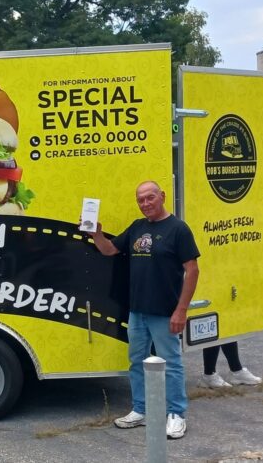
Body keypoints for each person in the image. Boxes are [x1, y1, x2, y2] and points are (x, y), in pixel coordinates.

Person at [85, 181, 200, 440]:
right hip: (137, 312)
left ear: (162, 196)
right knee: (137, 362)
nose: (145, 203)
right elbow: (111, 249)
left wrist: (181, 311)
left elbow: (192, 271)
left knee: (171, 364)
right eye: (141, 200)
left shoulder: (178, 229)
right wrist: (96, 235)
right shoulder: (137, 227)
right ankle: (141, 410)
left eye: (150, 198)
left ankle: (176, 414)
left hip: (164, 312)